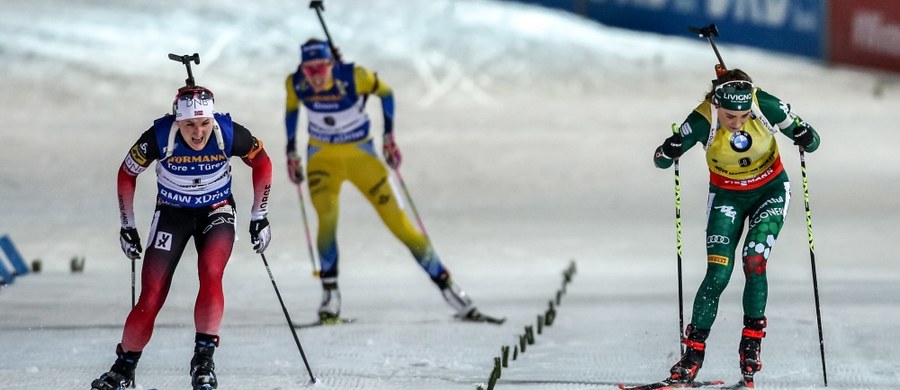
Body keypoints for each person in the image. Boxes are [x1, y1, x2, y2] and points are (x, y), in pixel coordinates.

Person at [284, 39, 486, 323]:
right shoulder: (296, 83)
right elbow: (292, 110)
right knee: (327, 218)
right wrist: (291, 151)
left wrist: (389, 136)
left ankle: (450, 289)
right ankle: (330, 297)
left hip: (363, 160)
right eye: (309, 69)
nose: (315, 76)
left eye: (320, 68)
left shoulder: (355, 76)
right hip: (323, 162)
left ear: (331, 64)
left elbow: (387, 92)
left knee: (401, 226)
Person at [91, 84, 273, 390]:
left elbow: (262, 162)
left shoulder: (227, 132)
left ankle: (204, 361)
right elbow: (126, 173)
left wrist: (260, 215)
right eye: (189, 124)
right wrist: (128, 225)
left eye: (204, 123)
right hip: (173, 214)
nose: (198, 133)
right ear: (178, 121)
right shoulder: (160, 136)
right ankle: (123, 367)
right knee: (151, 296)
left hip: (216, 211)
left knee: (212, 274)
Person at [652, 68, 820, 386]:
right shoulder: (703, 119)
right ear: (717, 105)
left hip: (770, 192)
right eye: (731, 116)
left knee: (754, 261)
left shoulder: (764, 105)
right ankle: (692, 356)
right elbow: (661, 159)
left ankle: (751, 345)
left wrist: (805, 137)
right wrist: (670, 149)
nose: (738, 122)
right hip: (727, 197)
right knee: (718, 273)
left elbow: (812, 140)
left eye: (743, 115)